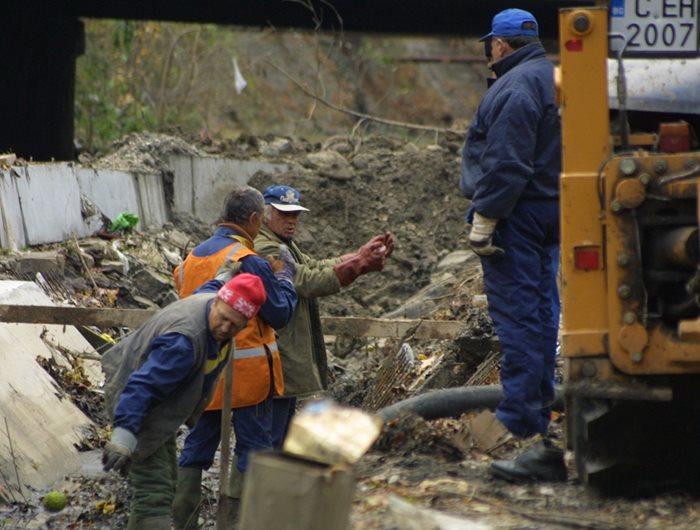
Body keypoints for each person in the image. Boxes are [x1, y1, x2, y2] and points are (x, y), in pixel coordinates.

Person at [460, 8, 564, 482]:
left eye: (490, 47)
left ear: (500, 46)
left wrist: (486, 216)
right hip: (551, 210)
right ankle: (540, 414)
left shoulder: (517, 87)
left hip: (517, 215)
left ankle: (523, 427)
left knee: (520, 316)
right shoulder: (553, 78)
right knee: (543, 311)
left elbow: (507, 162)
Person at [171, 186, 298, 529]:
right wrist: (285, 278)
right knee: (253, 452)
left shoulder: (190, 260)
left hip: (204, 374)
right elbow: (280, 313)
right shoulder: (247, 260)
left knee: (196, 448)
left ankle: (185, 521)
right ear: (255, 219)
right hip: (246, 377)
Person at [101, 273, 267, 530]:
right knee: (154, 494)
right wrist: (123, 436)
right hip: (135, 405)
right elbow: (141, 387)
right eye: (223, 319)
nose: (225, 329)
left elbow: (212, 283)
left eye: (234, 325)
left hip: (159, 408)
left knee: (168, 478)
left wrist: (228, 273)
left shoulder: (212, 298)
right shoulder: (184, 342)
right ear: (218, 303)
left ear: (246, 324)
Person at [254, 184, 395, 446]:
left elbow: (316, 266)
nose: (292, 221)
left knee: (278, 434)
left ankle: (270, 483)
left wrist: (360, 255)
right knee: (268, 437)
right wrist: (358, 264)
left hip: (282, 353)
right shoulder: (267, 248)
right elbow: (306, 280)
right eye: (284, 214)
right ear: (265, 214)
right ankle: (259, 484)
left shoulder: (284, 245)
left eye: (295, 215)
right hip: (273, 354)